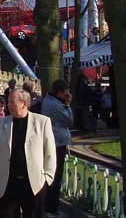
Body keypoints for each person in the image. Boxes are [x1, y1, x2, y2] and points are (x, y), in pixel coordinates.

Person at [0, 89, 57, 218]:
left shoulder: (42, 122)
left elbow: (50, 153)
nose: (9, 106)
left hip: (33, 183)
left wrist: (47, 179)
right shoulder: (2, 124)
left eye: (12, 102)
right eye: (8, 102)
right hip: (8, 183)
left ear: (24, 103)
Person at [41, 80, 74, 217]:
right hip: (57, 143)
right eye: (65, 93)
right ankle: (51, 207)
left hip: (55, 142)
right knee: (55, 176)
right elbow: (69, 121)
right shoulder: (55, 105)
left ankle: (49, 205)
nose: (67, 95)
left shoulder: (49, 101)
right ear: (59, 92)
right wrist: (68, 105)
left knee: (53, 175)